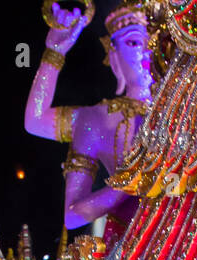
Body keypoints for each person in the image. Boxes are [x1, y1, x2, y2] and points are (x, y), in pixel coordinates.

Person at [24, 2, 153, 229]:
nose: (147, 52)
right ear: (114, 54)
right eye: (133, 43)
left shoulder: (187, 106)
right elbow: (72, 216)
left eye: (154, 42)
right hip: (133, 246)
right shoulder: (97, 119)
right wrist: (55, 51)